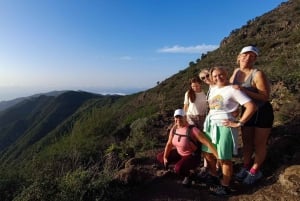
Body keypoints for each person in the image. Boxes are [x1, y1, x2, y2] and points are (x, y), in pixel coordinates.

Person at [202, 66, 256, 196]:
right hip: (210, 125)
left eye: (220, 74)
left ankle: (225, 186)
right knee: (208, 154)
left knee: (225, 158)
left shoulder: (233, 90)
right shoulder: (214, 88)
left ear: (226, 74)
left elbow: (251, 106)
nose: (218, 77)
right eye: (215, 76)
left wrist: (239, 122)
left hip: (224, 126)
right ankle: (215, 176)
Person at [229, 45, 274, 185]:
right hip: (247, 111)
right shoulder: (236, 72)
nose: (247, 58)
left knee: (259, 144)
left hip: (262, 112)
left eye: (252, 56)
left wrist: (243, 89)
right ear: (239, 57)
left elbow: (265, 97)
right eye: (245, 55)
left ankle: (255, 171)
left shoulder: (257, 74)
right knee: (247, 142)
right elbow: (230, 89)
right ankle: (245, 167)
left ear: (255, 59)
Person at [156, 109, 218, 186]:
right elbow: (169, 144)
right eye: (176, 117)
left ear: (185, 117)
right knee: (160, 157)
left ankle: (190, 175)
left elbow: (207, 143)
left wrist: (218, 156)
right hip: (180, 153)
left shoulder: (192, 129)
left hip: (192, 156)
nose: (178, 119)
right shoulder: (174, 129)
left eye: (181, 117)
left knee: (178, 168)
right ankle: (181, 166)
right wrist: (165, 157)